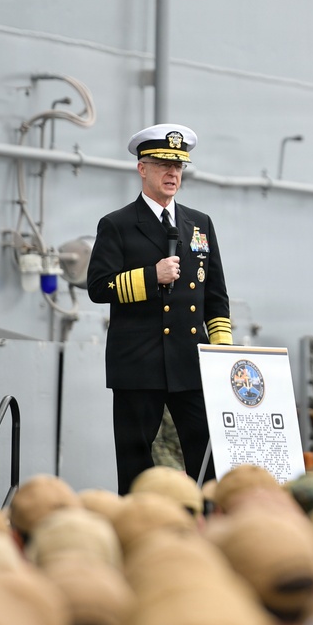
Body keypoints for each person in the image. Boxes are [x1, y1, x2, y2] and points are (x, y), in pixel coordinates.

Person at [87, 123, 232, 494]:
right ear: (142, 168)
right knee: (135, 461)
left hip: (191, 361)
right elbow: (98, 287)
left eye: (178, 166)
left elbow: (215, 294)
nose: (172, 173)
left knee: (209, 458)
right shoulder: (117, 224)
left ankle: (211, 526)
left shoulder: (199, 224)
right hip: (139, 362)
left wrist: (222, 352)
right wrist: (152, 276)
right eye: (163, 164)